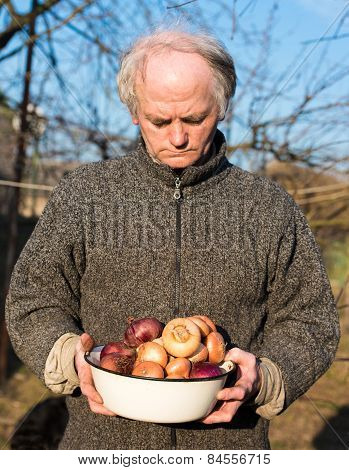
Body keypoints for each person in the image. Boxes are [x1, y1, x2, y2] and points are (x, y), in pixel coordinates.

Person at [5, 29, 340, 450]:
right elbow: (33, 299)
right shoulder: (84, 194)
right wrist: (67, 356)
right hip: (100, 448)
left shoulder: (269, 206)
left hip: (229, 450)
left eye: (194, 119)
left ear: (221, 107)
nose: (178, 137)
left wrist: (268, 375)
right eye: (160, 120)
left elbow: (311, 321)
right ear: (133, 111)